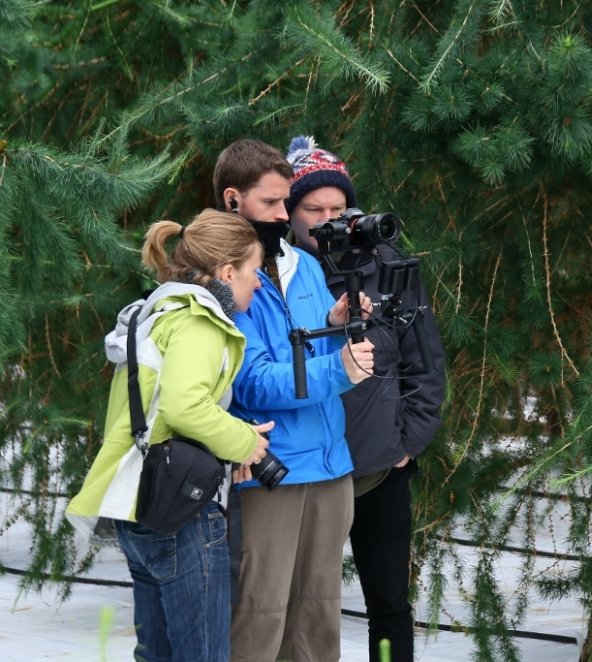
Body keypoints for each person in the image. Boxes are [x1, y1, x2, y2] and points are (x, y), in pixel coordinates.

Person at [66, 209, 272, 662]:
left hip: (138, 501)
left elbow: (162, 409)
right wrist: (244, 442)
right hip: (183, 512)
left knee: (156, 654)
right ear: (227, 272)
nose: (259, 283)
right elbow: (185, 406)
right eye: (254, 271)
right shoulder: (200, 321)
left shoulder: (159, 312)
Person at [283, 136, 447, 662]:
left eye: (338, 208)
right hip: (307, 468)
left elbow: (425, 361)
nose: (329, 220)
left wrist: (406, 445)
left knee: (389, 604)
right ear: (289, 212)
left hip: (380, 464)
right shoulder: (275, 271)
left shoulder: (387, 263)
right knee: (302, 600)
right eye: (314, 210)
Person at [212, 139, 375, 662]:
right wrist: (339, 367)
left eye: (287, 201)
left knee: (318, 617)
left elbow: (308, 352)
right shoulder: (223, 275)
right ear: (233, 199)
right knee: (260, 617)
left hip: (330, 465)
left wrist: (335, 325)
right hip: (270, 471)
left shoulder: (303, 264)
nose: (285, 215)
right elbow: (252, 382)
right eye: (271, 202)